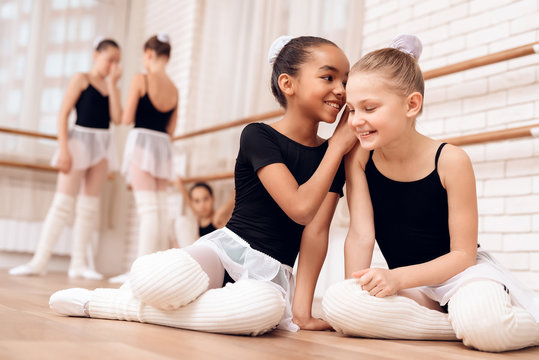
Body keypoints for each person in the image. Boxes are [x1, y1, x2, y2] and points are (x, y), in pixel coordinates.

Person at [48, 35, 356, 336]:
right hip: (225, 252)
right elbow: (299, 207)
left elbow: (315, 232)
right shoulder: (258, 136)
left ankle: (123, 305)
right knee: (153, 276)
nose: (340, 90)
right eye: (328, 78)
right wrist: (336, 148)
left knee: (262, 310)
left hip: (270, 276)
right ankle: (120, 304)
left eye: (345, 81)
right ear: (288, 84)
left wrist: (300, 312)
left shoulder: (333, 157)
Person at [322, 34, 539, 352]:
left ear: (412, 104)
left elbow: (463, 256)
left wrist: (397, 279)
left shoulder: (451, 160)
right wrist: (356, 289)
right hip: (415, 289)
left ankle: (488, 321)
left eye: (369, 108)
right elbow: (360, 235)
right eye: (352, 110)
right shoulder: (360, 159)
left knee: (488, 326)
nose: (356, 121)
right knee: (338, 302)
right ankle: (462, 327)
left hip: (462, 276)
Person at [9, 37, 122, 279]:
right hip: (78, 142)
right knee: (62, 204)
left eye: (117, 62)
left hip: (102, 146)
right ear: (96, 56)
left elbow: (118, 117)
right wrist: (63, 149)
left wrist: (113, 83)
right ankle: (39, 261)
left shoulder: (112, 86)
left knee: (89, 208)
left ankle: (79, 264)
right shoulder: (80, 79)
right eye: (109, 59)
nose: (112, 65)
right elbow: (62, 115)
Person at [110, 33, 178, 285]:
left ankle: (139, 274)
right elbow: (171, 131)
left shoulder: (141, 79)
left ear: (148, 54)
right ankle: (155, 271)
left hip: (141, 145)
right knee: (159, 209)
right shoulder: (174, 89)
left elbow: (126, 118)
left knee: (148, 209)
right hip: (162, 148)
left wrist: (114, 86)